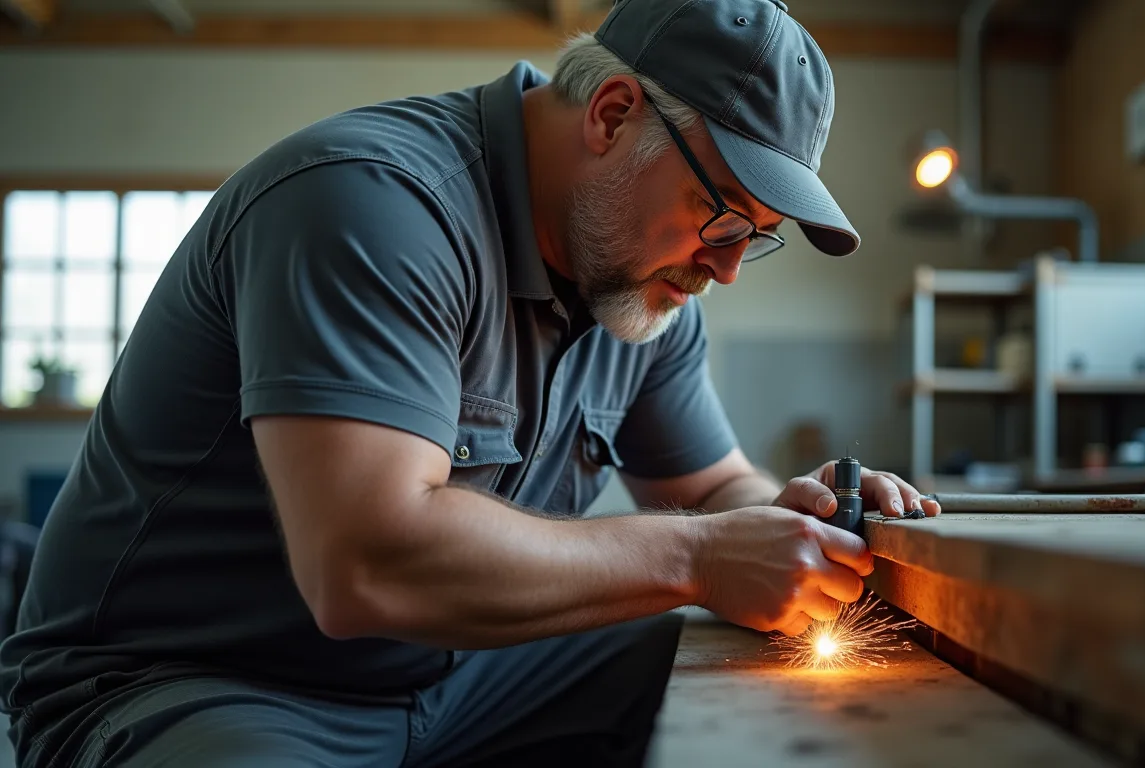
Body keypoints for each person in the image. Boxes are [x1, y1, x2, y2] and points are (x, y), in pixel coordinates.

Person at [0, 0, 938, 765]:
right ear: (613, 115)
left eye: (755, 236)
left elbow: (709, 492)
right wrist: (700, 559)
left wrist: (792, 521)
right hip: (198, 684)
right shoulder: (369, 203)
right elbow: (368, 563)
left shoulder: (643, 288)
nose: (726, 268)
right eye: (723, 217)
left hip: (460, 678)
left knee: (746, 688)